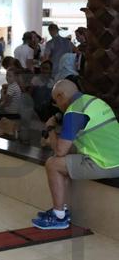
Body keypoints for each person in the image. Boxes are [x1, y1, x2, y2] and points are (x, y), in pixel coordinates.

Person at [32, 79, 119, 229]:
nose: (57, 106)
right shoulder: (94, 101)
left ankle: (59, 216)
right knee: (65, 160)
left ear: (60, 96)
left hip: (107, 163)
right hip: (113, 158)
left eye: (55, 102)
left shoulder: (74, 111)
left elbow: (59, 151)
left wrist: (50, 128)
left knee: (53, 164)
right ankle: (62, 210)